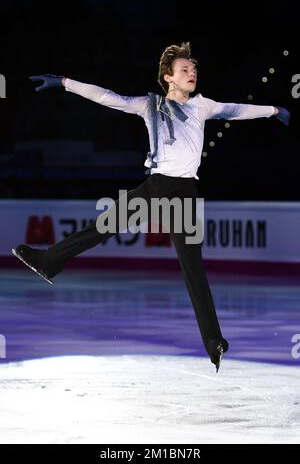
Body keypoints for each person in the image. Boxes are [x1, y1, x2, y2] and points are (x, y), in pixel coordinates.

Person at [12, 42, 290, 372]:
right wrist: (63, 82)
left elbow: (237, 109)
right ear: (168, 77)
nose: (192, 73)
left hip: (185, 192)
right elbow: (106, 97)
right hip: (156, 186)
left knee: (194, 270)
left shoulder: (202, 106)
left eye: (194, 69)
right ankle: (48, 261)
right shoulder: (150, 105)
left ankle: (214, 340)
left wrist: (272, 109)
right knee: (103, 227)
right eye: (185, 69)